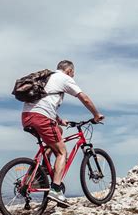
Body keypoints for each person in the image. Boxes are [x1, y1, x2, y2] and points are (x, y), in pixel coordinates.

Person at [21, 60, 104, 207]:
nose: (73, 76)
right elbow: (84, 98)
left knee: (57, 132)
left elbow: (42, 103)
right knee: (62, 152)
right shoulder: (64, 79)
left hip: (27, 117)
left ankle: (43, 170)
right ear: (69, 71)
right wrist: (96, 114)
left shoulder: (46, 78)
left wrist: (59, 120)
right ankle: (55, 189)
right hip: (42, 118)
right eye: (73, 73)